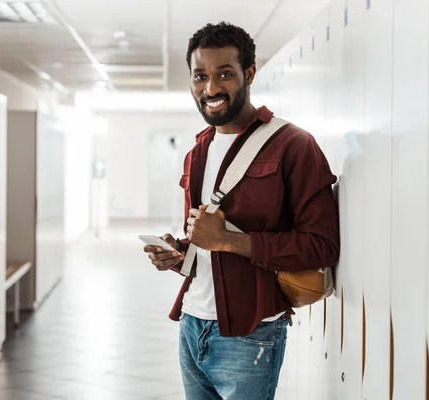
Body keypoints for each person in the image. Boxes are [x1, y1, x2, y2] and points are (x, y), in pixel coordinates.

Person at [143, 22, 340, 400]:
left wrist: (231, 241)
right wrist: (179, 253)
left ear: (248, 74)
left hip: (251, 334)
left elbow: (322, 246)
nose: (211, 88)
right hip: (191, 323)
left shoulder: (294, 146)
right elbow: (206, 242)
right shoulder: (197, 152)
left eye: (225, 74)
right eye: (200, 76)